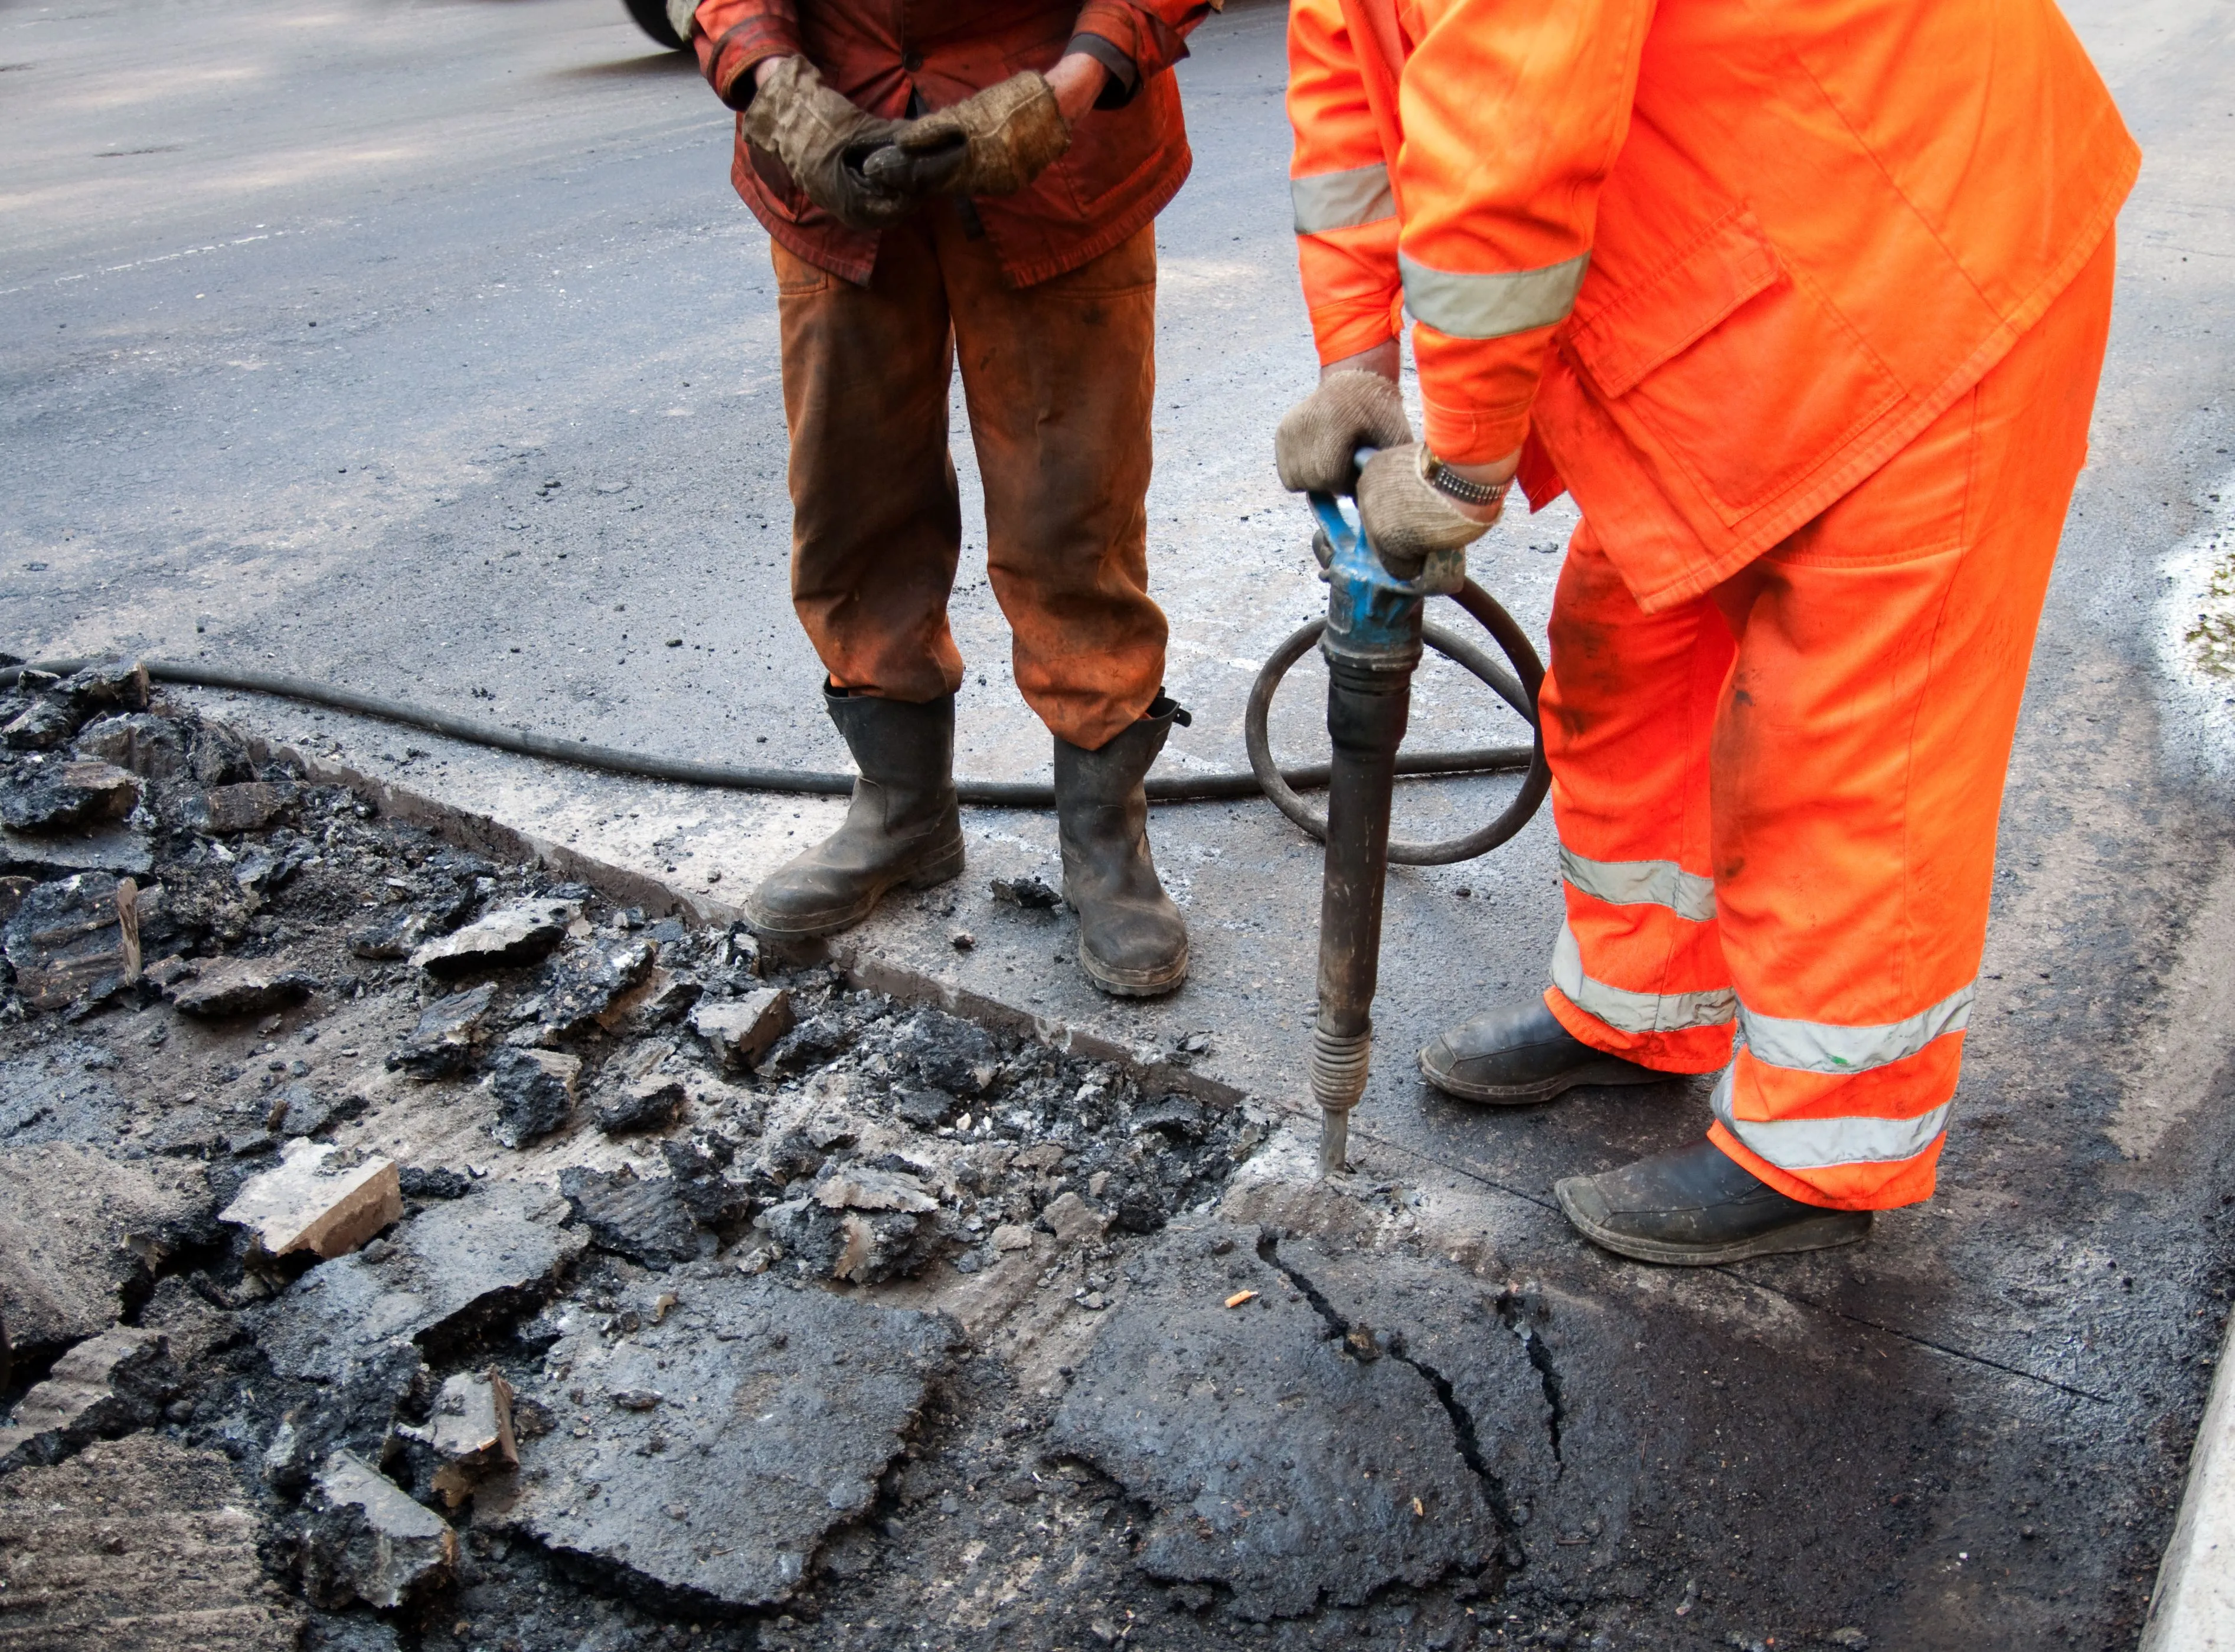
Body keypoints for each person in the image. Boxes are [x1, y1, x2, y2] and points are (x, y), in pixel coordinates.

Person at [1275, 0, 2137, 1262]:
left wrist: (1459, 461)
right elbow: (1350, 106)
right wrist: (1357, 363)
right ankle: (1642, 1005)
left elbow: (1508, 139)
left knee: (1844, 744)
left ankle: (1824, 1143)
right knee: (1627, 654)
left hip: (1920, 250)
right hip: (1751, 268)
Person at [682, 0, 1215, 997]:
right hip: (829, 148)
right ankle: (903, 809)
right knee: (852, 493)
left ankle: (1105, 833)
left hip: (1061, 149)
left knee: (1073, 509)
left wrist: (1073, 85)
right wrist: (772, 84)